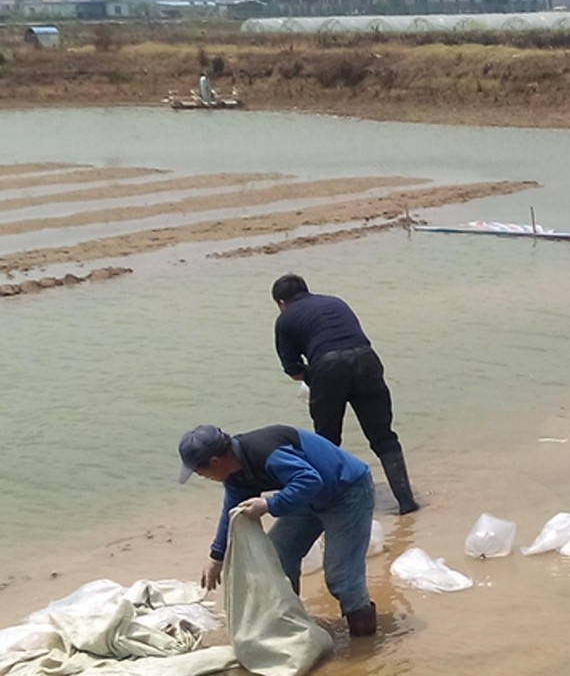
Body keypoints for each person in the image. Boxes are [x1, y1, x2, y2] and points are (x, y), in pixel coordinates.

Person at [178, 423, 378, 637]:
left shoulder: (265, 451)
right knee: (276, 557)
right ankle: (294, 625)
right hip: (309, 497)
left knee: (342, 576)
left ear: (215, 462)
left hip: (347, 492)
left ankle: (364, 644)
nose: (202, 477)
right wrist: (216, 557)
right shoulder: (235, 474)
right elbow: (232, 512)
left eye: (200, 472)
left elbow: (310, 480)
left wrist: (269, 505)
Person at [271, 273, 420, 515]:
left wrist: (314, 377)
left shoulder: (285, 319)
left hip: (328, 367)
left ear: (281, 303)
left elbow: (293, 370)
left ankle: (331, 506)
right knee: (383, 437)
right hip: (367, 360)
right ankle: (406, 502)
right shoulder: (335, 302)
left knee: (326, 442)